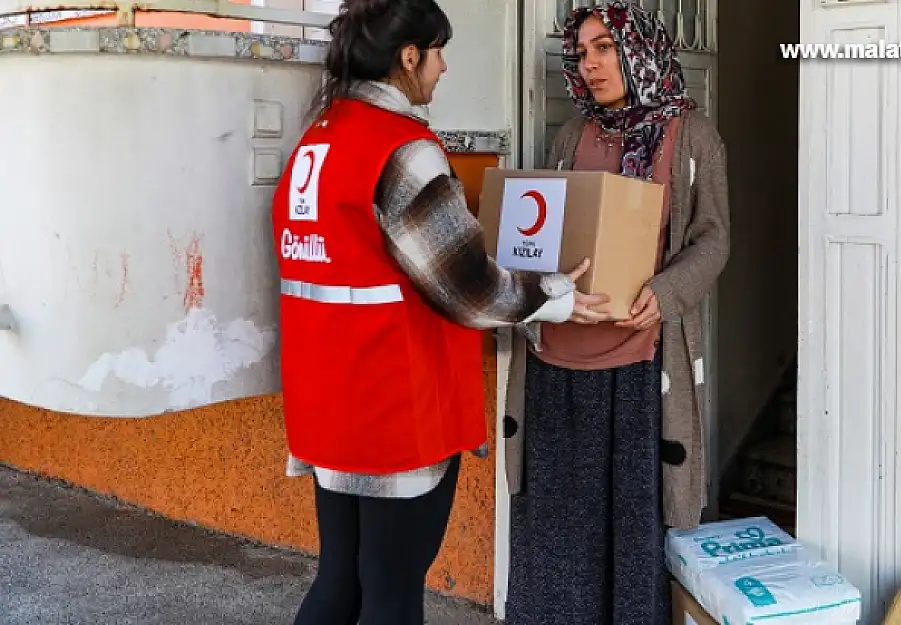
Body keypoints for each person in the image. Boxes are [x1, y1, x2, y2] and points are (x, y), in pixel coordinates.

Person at [269, 0, 610, 623]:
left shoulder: (316, 141)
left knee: (340, 580)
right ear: (407, 57)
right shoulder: (402, 150)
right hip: (395, 411)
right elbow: (468, 288)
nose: (444, 67)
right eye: (437, 52)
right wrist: (555, 298)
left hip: (328, 406)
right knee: (393, 593)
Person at [503, 3, 731, 624]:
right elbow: (542, 237)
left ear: (638, 48)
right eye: (582, 53)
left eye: (605, 47)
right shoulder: (571, 138)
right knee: (554, 538)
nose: (592, 63)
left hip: (637, 374)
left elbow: (713, 241)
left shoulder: (693, 137)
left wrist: (666, 291)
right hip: (556, 368)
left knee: (630, 546)